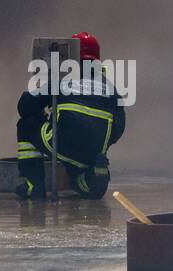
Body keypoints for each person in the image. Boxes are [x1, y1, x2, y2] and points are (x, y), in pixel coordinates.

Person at [15, 31, 125, 199]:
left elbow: (24, 106)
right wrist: (99, 143)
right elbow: (119, 127)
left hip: (62, 144)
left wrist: (45, 113)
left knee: (26, 125)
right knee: (77, 176)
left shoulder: (62, 80)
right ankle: (90, 179)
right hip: (93, 153)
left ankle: (34, 185)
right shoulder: (111, 88)